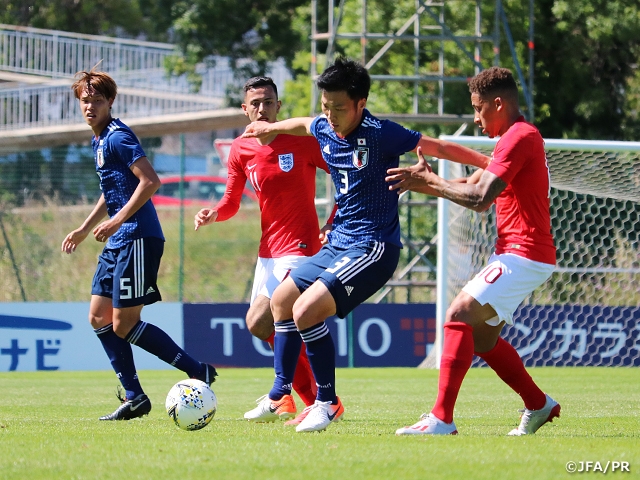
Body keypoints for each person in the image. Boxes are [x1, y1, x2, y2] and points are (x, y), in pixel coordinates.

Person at [241, 57, 490, 433]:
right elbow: (303, 123)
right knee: (280, 302)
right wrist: (271, 126)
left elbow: (437, 146)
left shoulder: (381, 133)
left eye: (339, 108)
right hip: (338, 241)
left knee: (307, 310)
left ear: (361, 102)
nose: (331, 115)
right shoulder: (324, 126)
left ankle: (325, 403)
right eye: (326, 106)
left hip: (373, 246)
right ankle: (280, 393)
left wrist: (490, 162)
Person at [387, 66, 559, 436]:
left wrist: (430, 180)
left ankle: (441, 419)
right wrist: (420, 183)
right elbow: (472, 182)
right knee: (482, 339)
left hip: (524, 252)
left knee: (459, 313)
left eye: (479, 109)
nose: (476, 118)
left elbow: (480, 199)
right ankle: (538, 404)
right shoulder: (514, 137)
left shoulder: (519, 136)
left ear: (499, 103)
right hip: (520, 253)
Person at [62, 68, 217, 421]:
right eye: (85, 101)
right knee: (98, 317)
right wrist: (85, 228)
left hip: (138, 238)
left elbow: (150, 181)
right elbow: (113, 188)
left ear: (110, 102)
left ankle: (198, 371)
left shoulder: (117, 137)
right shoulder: (98, 140)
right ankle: (134, 396)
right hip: (118, 239)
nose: (90, 107)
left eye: (97, 101)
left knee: (124, 324)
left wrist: (117, 221)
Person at [194, 76, 331, 425]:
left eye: (268, 102)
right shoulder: (241, 149)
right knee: (258, 325)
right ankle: (311, 399)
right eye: (255, 103)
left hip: (300, 245)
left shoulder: (300, 140)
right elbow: (230, 201)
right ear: (245, 110)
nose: (262, 108)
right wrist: (214, 214)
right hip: (268, 249)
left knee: (264, 317)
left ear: (278, 106)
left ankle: (287, 396)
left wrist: (333, 220)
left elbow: (346, 177)